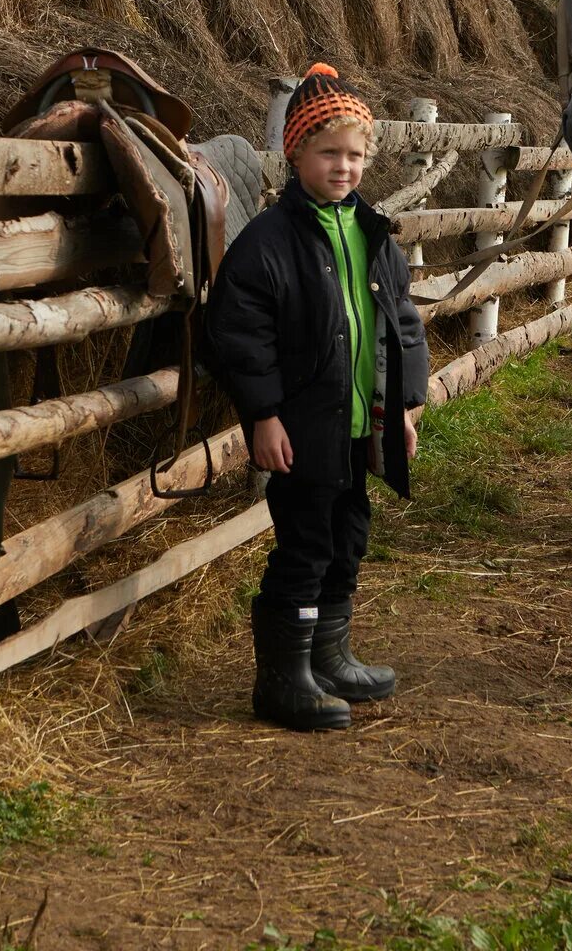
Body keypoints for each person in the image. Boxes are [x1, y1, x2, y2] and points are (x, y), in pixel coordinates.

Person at [204, 64, 429, 731]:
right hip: (301, 429)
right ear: (296, 152)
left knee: (348, 537)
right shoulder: (267, 245)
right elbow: (240, 334)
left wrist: (407, 408)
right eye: (329, 153)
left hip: (360, 428)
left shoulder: (371, 233)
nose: (343, 167)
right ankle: (282, 677)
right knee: (303, 547)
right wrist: (263, 414)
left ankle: (329, 656)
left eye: (356, 155)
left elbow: (404, 325)